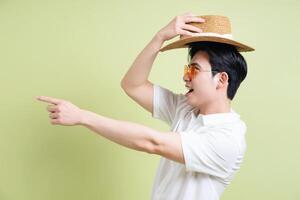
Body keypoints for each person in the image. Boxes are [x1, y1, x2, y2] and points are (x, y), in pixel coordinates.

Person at [37, 13, 254, 200]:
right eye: (187, 70)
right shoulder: (186, 109)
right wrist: (159, 37)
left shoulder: (228, 138)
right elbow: (133, 85)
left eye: (194, 71)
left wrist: (82, 116)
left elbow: (153, 143)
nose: (185, 77)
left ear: (221, 80)